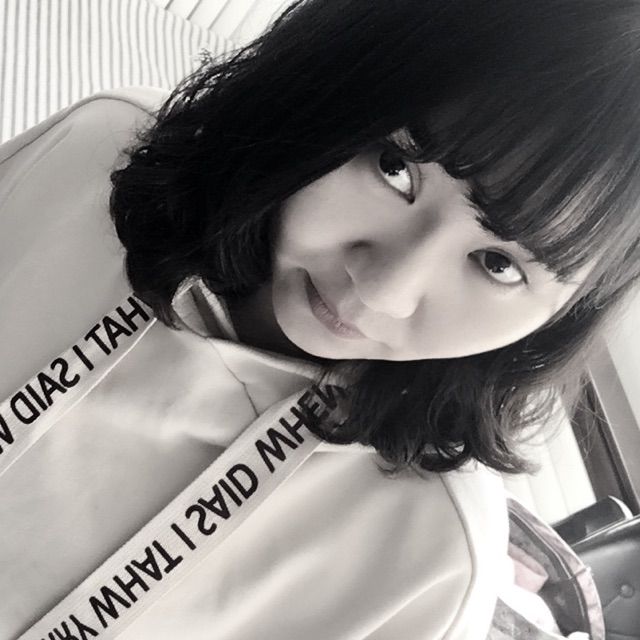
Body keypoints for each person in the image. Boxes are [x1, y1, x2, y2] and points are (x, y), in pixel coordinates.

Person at [1, 0, 640, 638]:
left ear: (563, 316)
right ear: (325, 87)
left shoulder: (435, 567)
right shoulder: (97, 150)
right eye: (395, 169)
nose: (384, 291)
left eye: (499, 265)